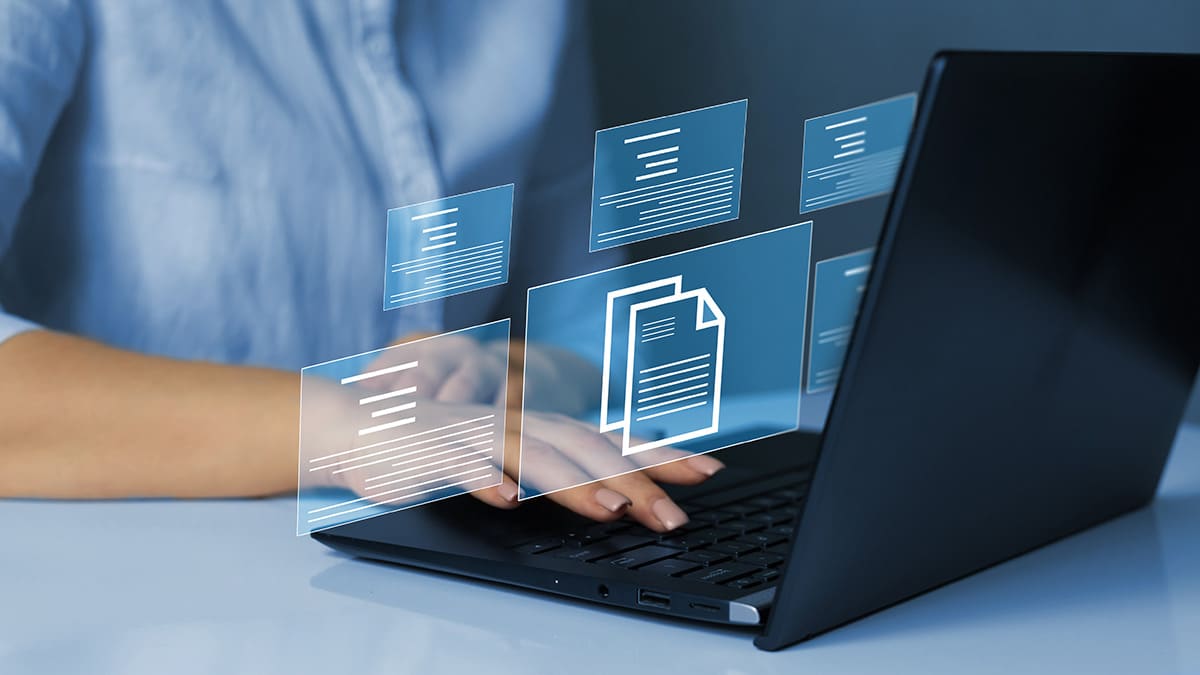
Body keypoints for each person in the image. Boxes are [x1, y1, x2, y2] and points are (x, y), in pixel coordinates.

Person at [0, 0, 721, 532]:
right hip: (130, 582)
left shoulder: (529, 16)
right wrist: (342, 429)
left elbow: (591, 319)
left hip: (443, 575)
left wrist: (512, 371)